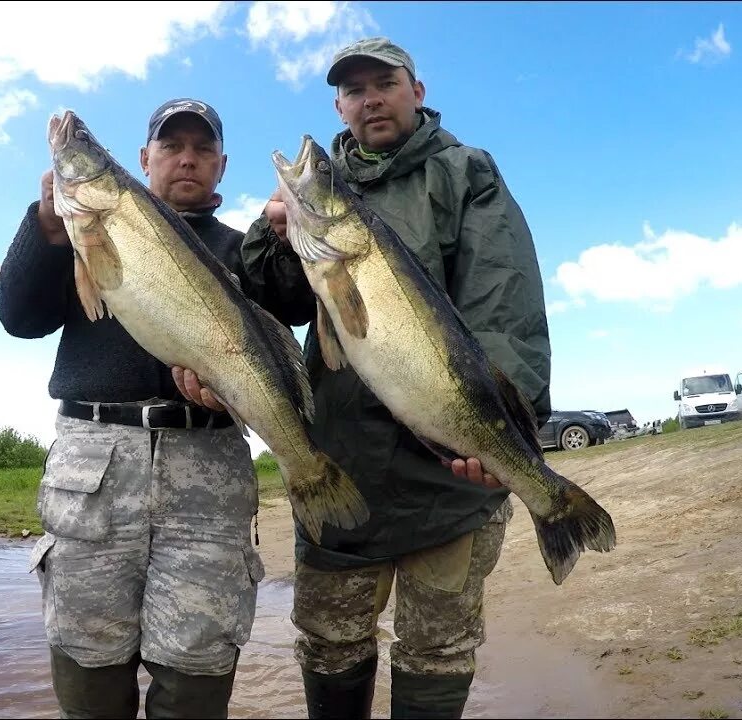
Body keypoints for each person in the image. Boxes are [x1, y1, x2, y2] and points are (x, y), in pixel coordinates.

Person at [174, 37, 552, 719]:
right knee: (330, 644)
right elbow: (276, 300)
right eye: (354, 90)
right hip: (340, 460)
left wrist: (504, 423)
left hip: (447, 477)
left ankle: (554, 508)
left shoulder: (466, 174)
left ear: (418, 89)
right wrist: (273, 233)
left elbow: (504, 301)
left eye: (385, 82)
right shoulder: (316, 196)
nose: (370, 98)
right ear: (339, 106)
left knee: (437, 648)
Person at [0, 98, 277, 719]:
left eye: (202, 150)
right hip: (93, 464)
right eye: (171, 147)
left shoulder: (240, 252)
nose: (187, 159)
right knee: (87, 651)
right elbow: (20, 318)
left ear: (222, 166)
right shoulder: (80, 232)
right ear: (145, 159)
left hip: (208, 466)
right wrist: (44, 225)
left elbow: (276, 333)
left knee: (197, 659)